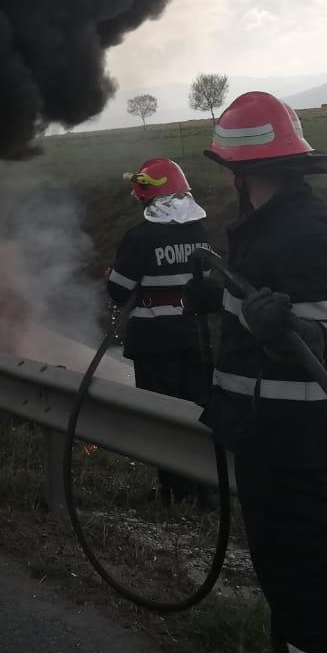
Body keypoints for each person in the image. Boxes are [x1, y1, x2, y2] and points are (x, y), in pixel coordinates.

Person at [189, 92, 327, 653]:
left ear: (241, 171)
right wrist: (219, 296)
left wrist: (288, 329)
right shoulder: (271, 229)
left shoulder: (305, 236)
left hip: (294, 434)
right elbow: (258, 311)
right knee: (285, 565)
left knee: (302, 570)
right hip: (267, 428)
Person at [104, 157, 212, 504]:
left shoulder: (141, 236)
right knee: (198, 413)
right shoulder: (200, 231)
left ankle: (174, 492)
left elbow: (120, 291)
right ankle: (206, 490)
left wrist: (111, 276)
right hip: (196, 338)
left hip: (154, 342)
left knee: (164, 417)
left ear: (148, 197)